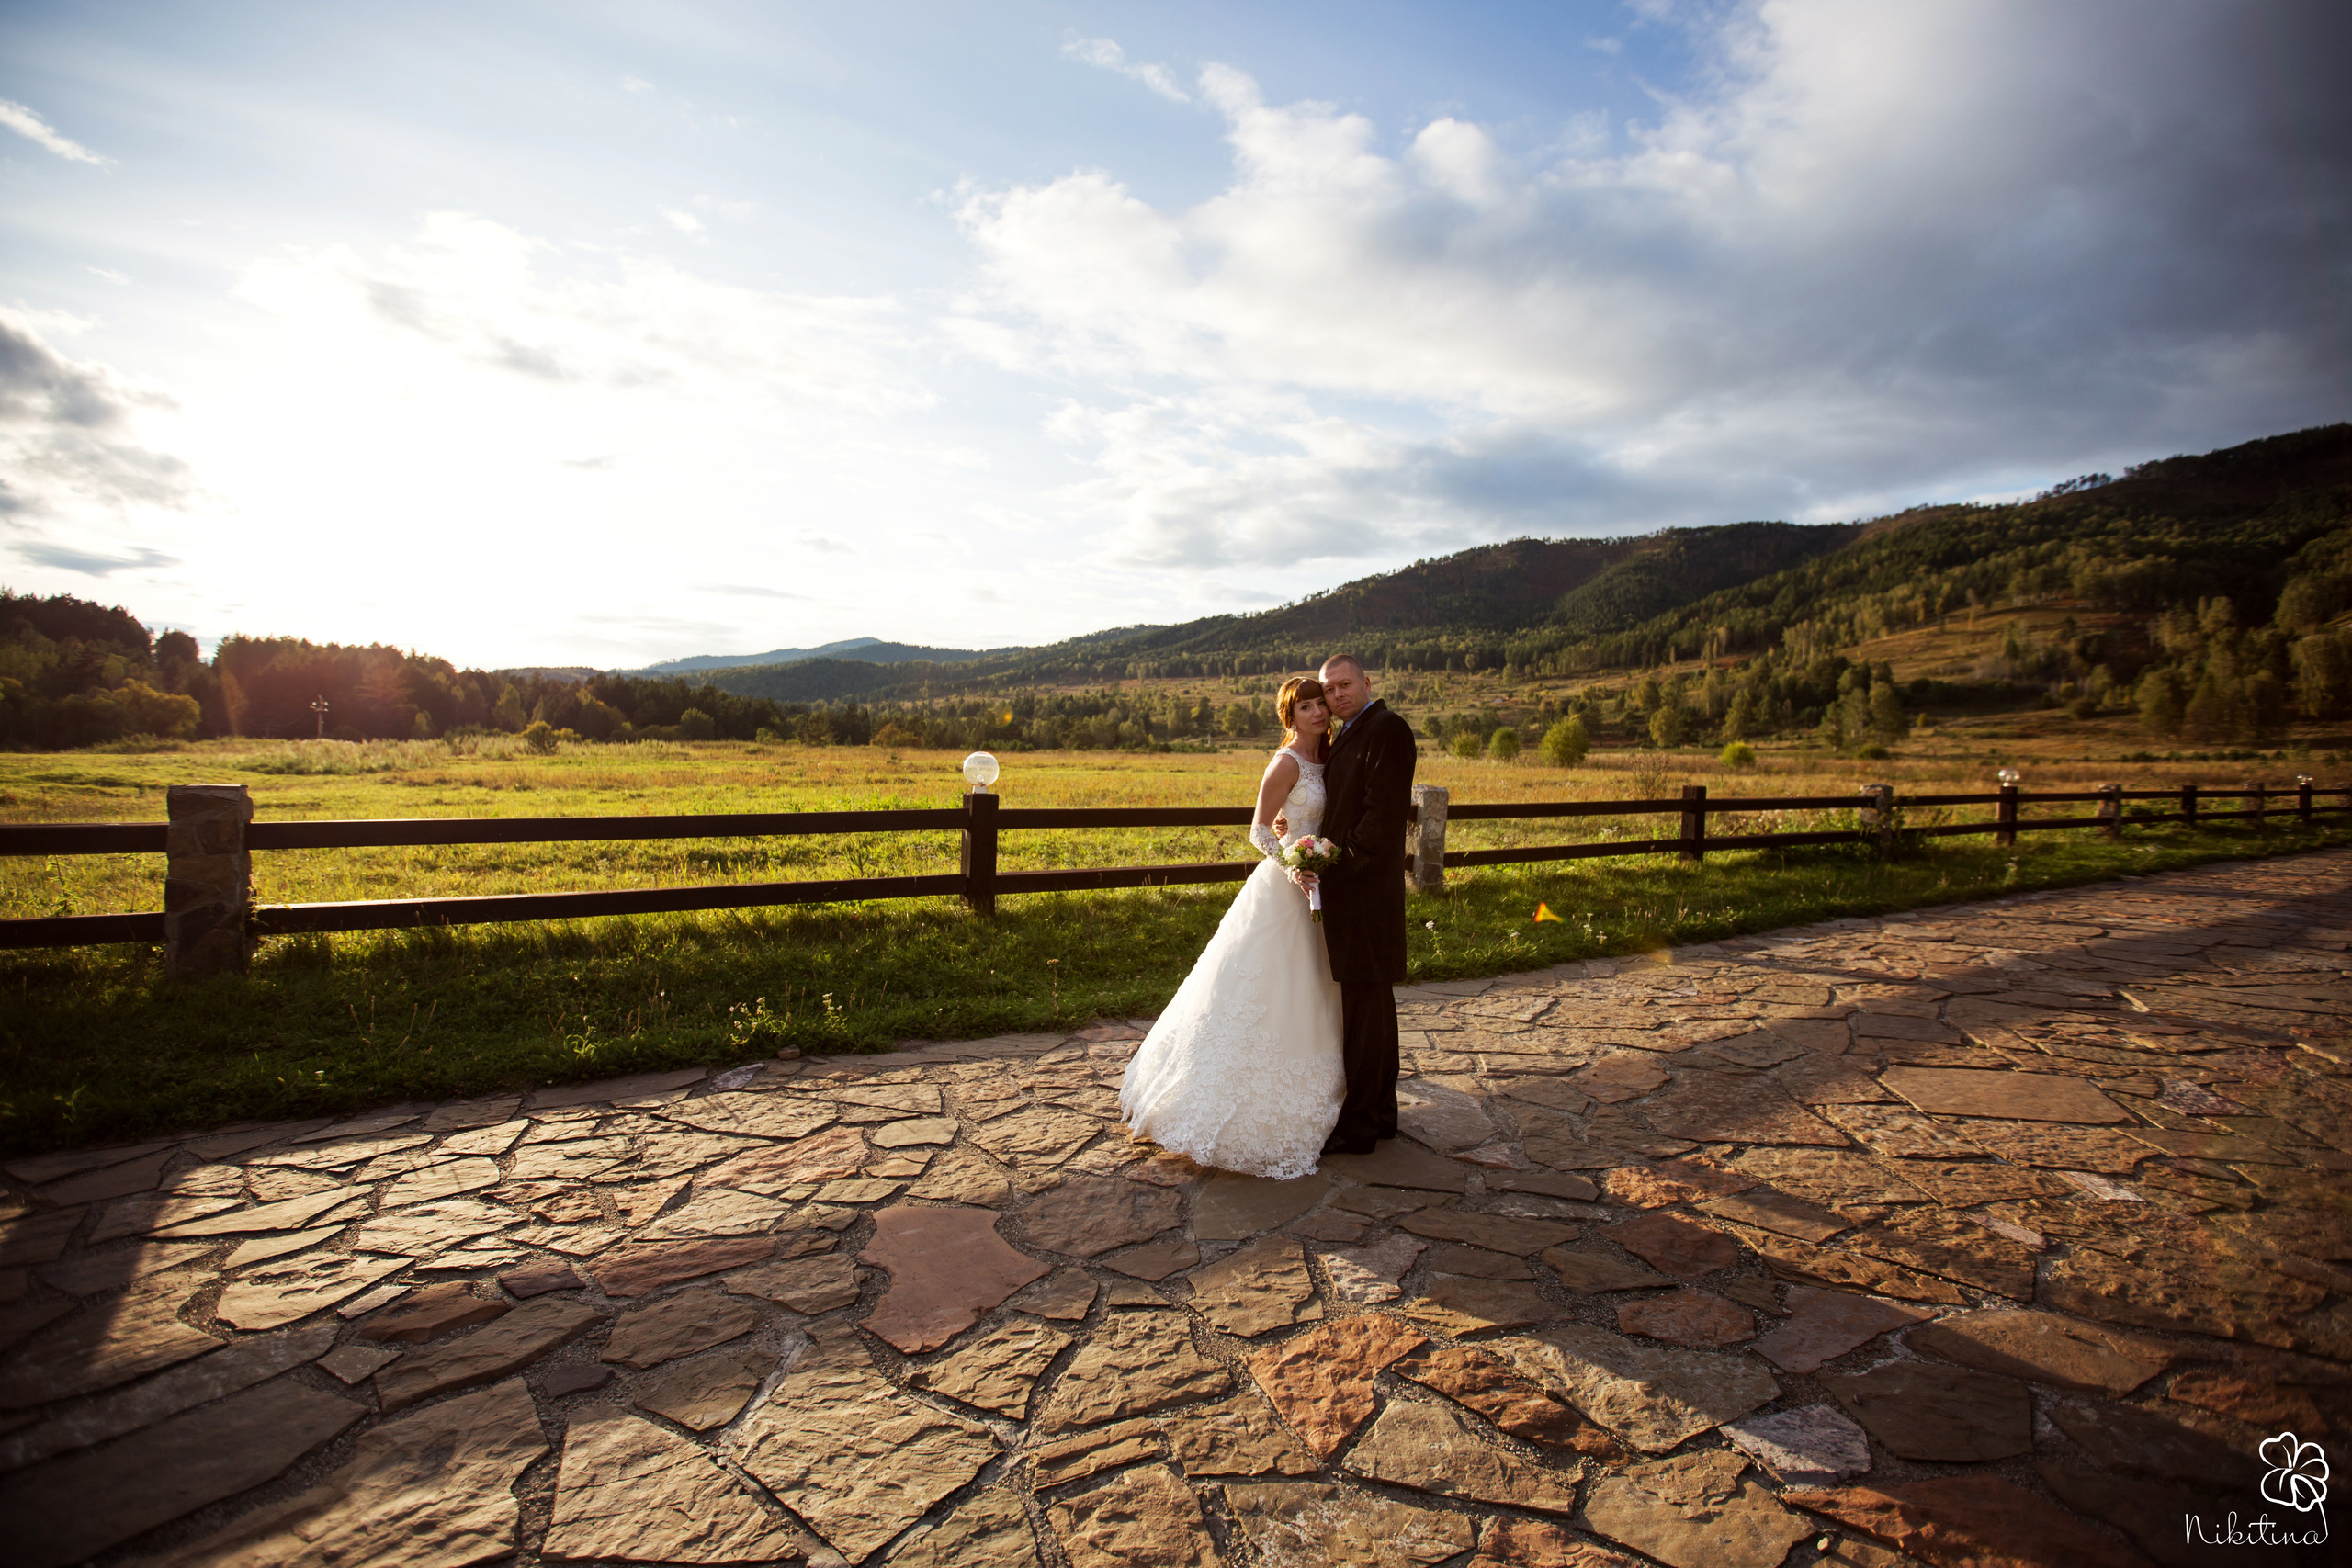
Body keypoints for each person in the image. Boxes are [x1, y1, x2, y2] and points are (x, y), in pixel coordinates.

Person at [1117, 676, 1344, 1179]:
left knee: (1316, 986)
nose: (1317, 713)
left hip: (1323, 883)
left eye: (1320, 704)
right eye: (1305, 707)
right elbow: (1259, 829)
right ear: (1290, 716)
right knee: (1264, 987)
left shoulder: (1334, 755)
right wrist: (1292, 863)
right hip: (1285, 886)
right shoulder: (1285, 763)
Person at [1306, 653, 1415, 1156]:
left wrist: (1339, 863)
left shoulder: (1388, 729)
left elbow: (1383, 814)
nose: (1337, 695)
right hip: (1353, 888)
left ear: (1368, 682)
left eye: (1345, 685)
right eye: (1330, 690)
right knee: (1372, 1008)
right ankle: (1382, 1116)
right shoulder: (1351, 732)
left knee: (1366, 1012)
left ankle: (1359, 1127)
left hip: (1367, 890)